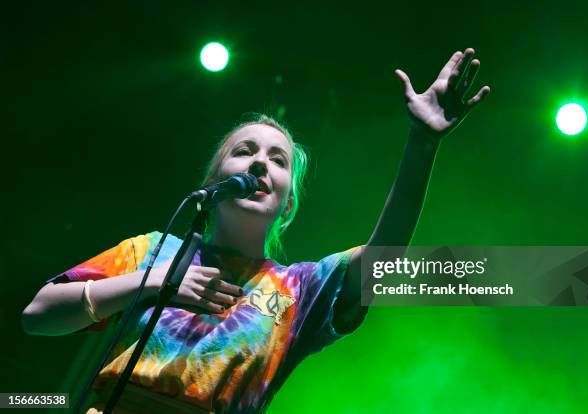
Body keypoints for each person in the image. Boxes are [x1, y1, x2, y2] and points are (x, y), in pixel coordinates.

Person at [22, 48, 490, 413]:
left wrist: (422, 144)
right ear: (213, 180)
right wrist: (154, 282)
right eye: (245, 151)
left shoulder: (299, 288)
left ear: (287, 205)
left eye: (278, 160)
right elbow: (37, 315)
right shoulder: (153, 250)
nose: (260, 162)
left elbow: (383, 258)